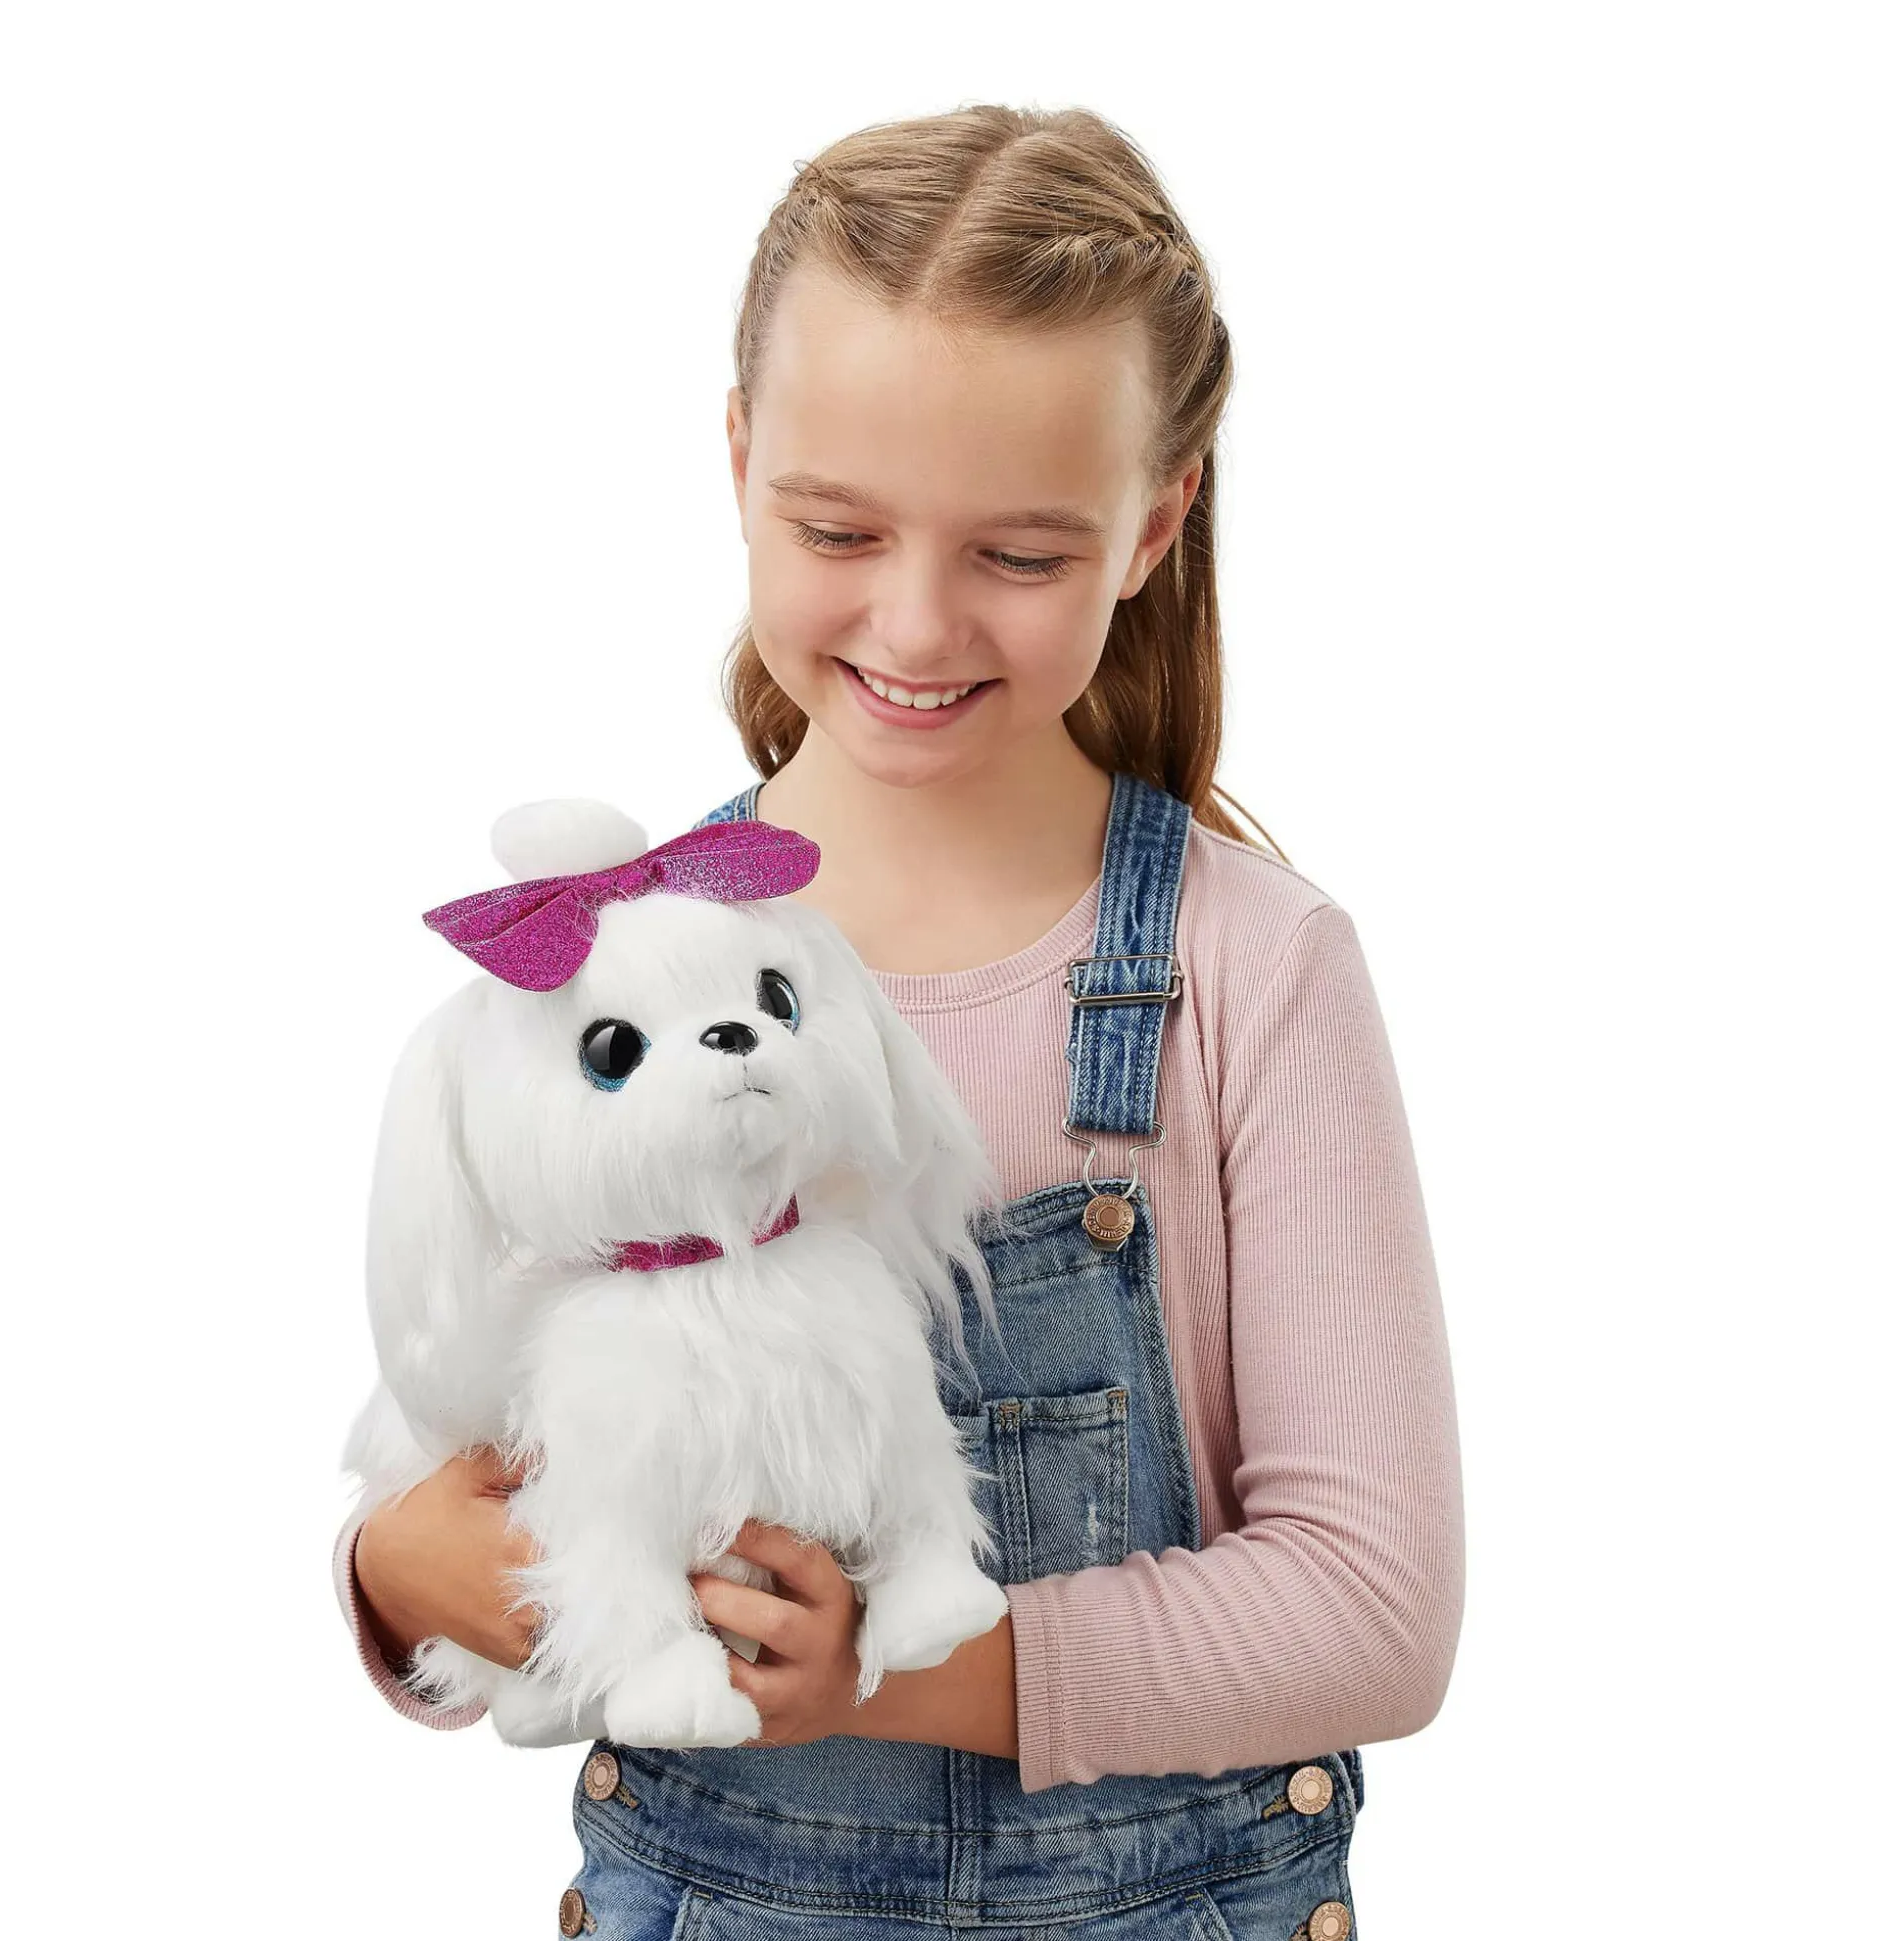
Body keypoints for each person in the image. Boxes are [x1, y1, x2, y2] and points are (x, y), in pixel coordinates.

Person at [337, 103, 1463, 1938]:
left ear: (1155, 520)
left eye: (1020, 554)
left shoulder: (1256, 972)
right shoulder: (608, 976)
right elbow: (470, 1400)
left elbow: (1373, 1611)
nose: (918, 624)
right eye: (839, 527)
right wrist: (396, 1572)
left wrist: (897, 1666)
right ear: (738, 459)